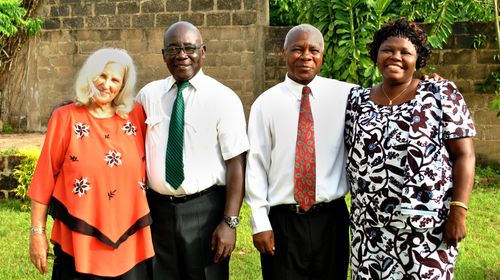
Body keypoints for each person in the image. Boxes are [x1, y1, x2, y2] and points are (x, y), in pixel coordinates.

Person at [344, 18, 476, 279]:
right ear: (376, 56)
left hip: (425, 228)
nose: (396, 57)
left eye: (406, 52)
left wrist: (458, 211)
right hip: (369, 227)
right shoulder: (356, 100)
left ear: (418, 59)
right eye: (388, 50)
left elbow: (465, 155)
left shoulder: (439, 93)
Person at [135, 21, 248, 280]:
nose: (182, 55)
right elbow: (118, 124)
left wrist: (230, 222)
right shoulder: (148, 95)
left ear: (203, 51)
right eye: (173, 48)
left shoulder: (224, 98)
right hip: (157, 212)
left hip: (205, 211)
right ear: (163, 55)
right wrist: (76, 107)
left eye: (189, 48)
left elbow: (236, 164)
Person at [28, 48, 154, 279]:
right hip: (78, 238)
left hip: (130, 239)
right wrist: (37, 232)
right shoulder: (65, 117)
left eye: (115, 79)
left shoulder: (136, 115)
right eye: (102, 76)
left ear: (123, 85)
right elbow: (44, 178)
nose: (107, 84)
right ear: (90, 76)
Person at [245, 24, 355, 279]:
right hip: (284, 220)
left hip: (331, 218)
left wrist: (425, 84)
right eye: (297, 49)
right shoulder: (266, 104)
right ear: (284, 53)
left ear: (322, 56)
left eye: (313, 50)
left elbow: (389, 98)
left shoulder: (347, 95)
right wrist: (260, 223)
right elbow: (257, 166)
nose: (305, 56)